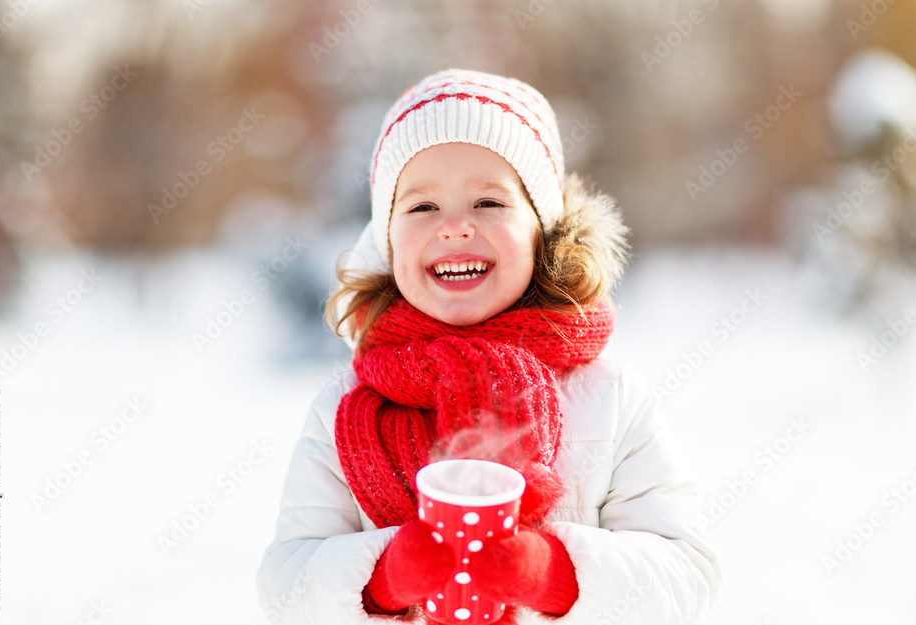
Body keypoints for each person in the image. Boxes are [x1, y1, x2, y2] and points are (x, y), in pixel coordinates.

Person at [257, 69, 720, 625]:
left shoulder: (613, 398)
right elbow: (285, 592)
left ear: (540, 230)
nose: (454, 227)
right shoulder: (342, 409)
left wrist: (555, 575)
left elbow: (687, 579)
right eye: (422, 207)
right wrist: (384, 577)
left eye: (489, 202)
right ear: (386, 237)